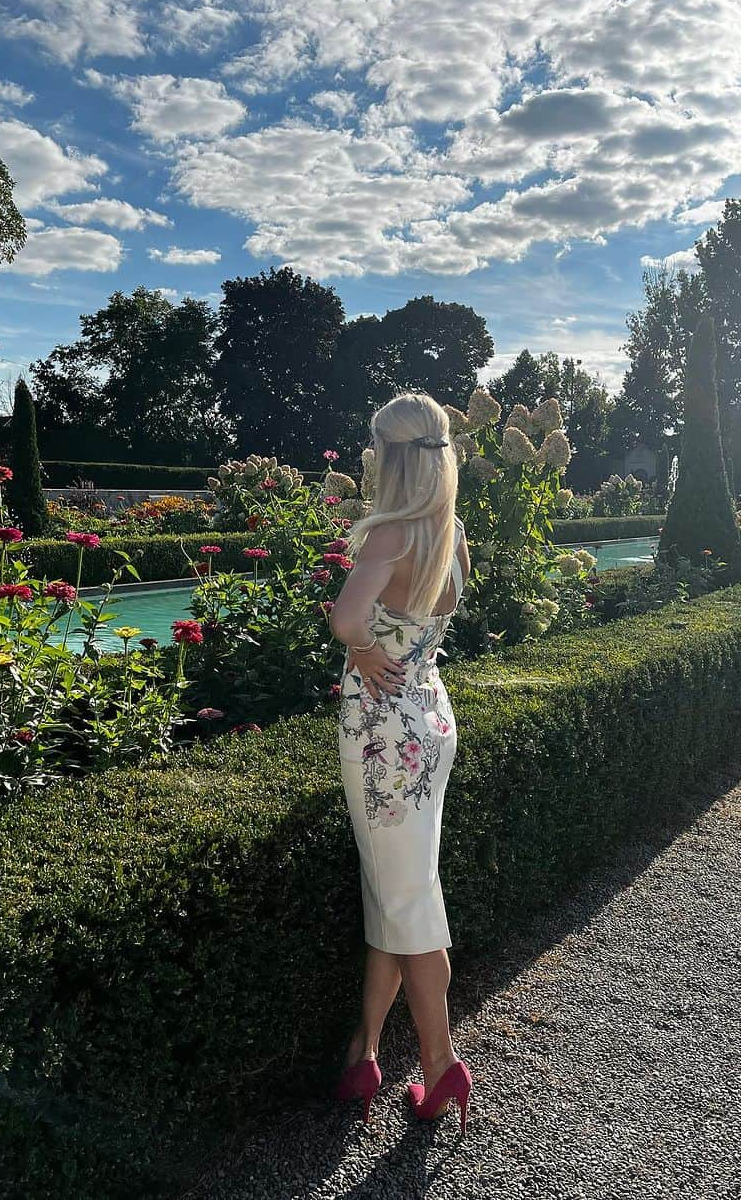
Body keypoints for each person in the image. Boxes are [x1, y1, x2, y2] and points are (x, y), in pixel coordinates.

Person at [329, 392, 473, 1134]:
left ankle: (443, 1066)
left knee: (409, 903)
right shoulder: (450, 536)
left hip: (384, 737)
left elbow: (346, 619)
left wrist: (357, 647)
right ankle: (367, 1052)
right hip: (429, 717)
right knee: (397, 888)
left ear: (391, 457)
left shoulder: (390, 537)